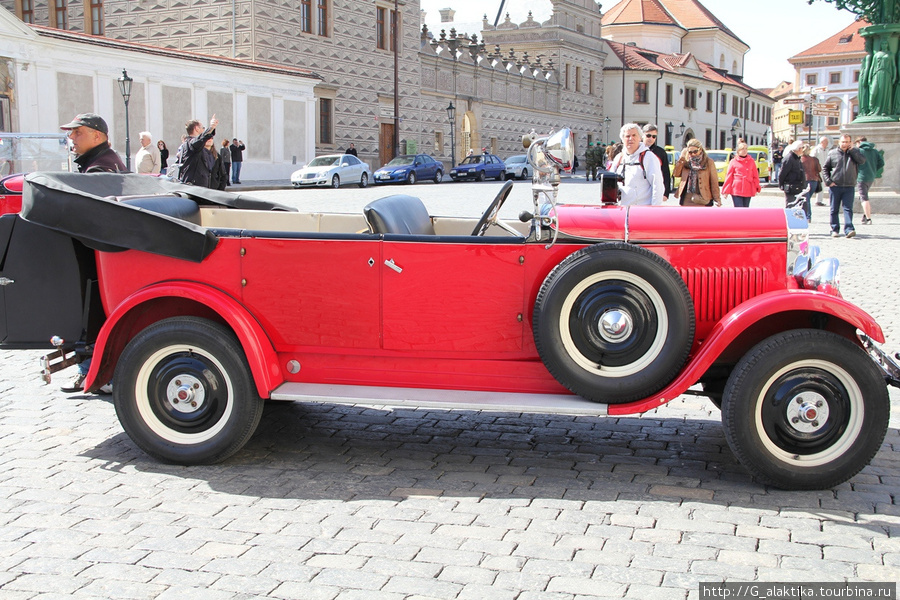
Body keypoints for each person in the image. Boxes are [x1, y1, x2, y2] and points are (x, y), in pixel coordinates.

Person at [58, 113, 126, 394]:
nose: (71, 138)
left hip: (95, 260)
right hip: (101, 259)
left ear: (98, 136)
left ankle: (91, 372)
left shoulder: (99, 169)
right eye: (71, 133)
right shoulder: (105, 162)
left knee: (91, 314)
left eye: (78, 132)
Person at [609, 123, 664, 206]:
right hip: (623, 209)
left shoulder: (649, 157)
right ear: (622, 139)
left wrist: (655, 210)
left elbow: (657, 185)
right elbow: (610, 183)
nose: (631, 139)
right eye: (627, 136)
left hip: (643, 211)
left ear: (640, 138)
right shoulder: (619, 158)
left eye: (634, 135)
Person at [823, 133, 866, 238]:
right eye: (843, 142)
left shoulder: (855, 152)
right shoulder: (832, 153)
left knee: (848, 209)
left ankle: (849, 229)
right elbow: (825, 168)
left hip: (849, 186)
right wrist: (828, 181)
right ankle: (834, 229)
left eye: (847, 142)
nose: (844, 144)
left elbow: (862, 161)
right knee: (834, 209)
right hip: (835, 186)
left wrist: (852, 150)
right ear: (839, 142)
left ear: (850, 142)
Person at [673, 139, 720, 207]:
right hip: (687, 198)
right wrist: (681, 158)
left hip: (702, 198)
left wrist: (717, 199)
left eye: (695, 151)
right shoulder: (686, 161)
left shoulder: (708, 162)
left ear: (700, 149)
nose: (693, 154)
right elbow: (676, 174)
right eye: (690, 152)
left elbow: (714, 182)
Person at [178, 115, 219, 187]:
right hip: (195, 186)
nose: (203, 129)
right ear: (197, 128)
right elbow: (200, 139)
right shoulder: (191, 142)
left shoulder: (190, 143)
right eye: (203, 128)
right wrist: (211, 128)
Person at [855, 137, 885, 225]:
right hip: (871, 176)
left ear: (859, 142)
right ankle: (865, 216)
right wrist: (874, 170)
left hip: (861, 177)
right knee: (864, 196)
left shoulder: (859, 151)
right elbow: (882, 163)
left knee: (864, 197)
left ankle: (868, 218)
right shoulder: (874, 151)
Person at [722, 141, 760, 208]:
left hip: (748, 188)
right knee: (739, 209)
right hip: (736, 189)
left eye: (746, 149)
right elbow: (729, 176)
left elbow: (755, 175)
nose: (744, 150)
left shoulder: (751, 161)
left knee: (746, 209)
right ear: (738, 151)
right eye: (742, 149)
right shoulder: (733, 161)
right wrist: (726, 190)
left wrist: (757, 186)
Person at [642, 124, 671, 202]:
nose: (651, 138)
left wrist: (666, 193)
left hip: (655, 190)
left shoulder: (660, 152)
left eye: (654, 136)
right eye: (648, 135)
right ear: (642, 135)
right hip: (640, 190)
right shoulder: (637, 150)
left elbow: (665, 172)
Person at [778, 141, 806, 211]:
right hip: (791, 187)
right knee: (791, 206)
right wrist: (781, 185)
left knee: (799, 206)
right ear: (799, 149)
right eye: (802, 148)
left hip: (798, 186)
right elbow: (782, 173)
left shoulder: (796, 158)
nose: (803, 150)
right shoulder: (789, 158)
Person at [799, 144, 822, 222]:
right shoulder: (814, 159)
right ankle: (806, 215)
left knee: (806, 199)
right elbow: (819, 169)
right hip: (814, 180)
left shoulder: (800, 159)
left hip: (805, 180)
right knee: (807, 199)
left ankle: (807, 216)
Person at [813, 137, 830, 206]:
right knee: (819, 185)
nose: (827, 143)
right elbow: (812, 158)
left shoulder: (827, 150)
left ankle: (819, 200)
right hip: (818, 170)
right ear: (822, 142)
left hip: (826, 170)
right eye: (826, 142)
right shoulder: (816, 149)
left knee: (823, 185)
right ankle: (818, 200)